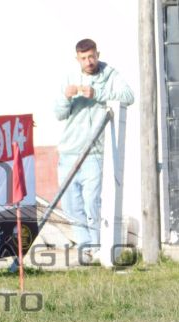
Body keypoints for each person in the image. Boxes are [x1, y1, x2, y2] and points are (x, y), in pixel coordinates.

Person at [54, 38, 134, 263]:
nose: (88, 62)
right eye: (83, 58)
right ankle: (86, 247)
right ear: (77, 59)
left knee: (92, 201)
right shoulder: (69, 77)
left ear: (98, 54)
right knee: (71, 203)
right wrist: (65, 97)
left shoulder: (109, 74)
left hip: (95, 151)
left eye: (91, 56)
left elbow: (129, 96)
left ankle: (97, 245)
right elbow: (59, 113)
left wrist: (97, 93)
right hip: (69, 150)